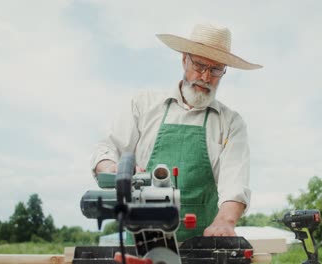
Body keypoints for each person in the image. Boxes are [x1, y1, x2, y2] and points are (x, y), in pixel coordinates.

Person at [91, 23, 262, 242]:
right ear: (184, 59)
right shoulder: (143, 105)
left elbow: (234, 183)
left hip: (203, 246)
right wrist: (113, 168)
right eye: (200, 65)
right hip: (142, 246)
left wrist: (225, 221)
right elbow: (107, 148)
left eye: (216, 69)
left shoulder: (231, 123)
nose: (206, 77)